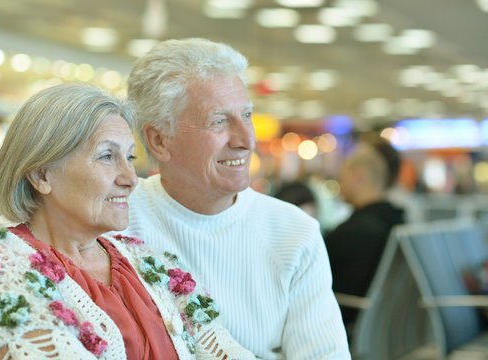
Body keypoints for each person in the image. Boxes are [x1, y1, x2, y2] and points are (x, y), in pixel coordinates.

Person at [0, 84, 254, 359]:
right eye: (107, 156)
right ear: (41, 175)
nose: (131, 178)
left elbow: (224, 349)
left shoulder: (146, 261)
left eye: (130, 158)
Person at [122, 38, 350, 359]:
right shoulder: (113, 224)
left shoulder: (294, 233)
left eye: (246, 115)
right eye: (219, 121)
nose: (247, 140)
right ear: (159, 140)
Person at [324, 135, 405, 329]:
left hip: (344, 329)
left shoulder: (353, 233)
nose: (340, 186)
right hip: (384, 329)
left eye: (342, 177)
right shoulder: (397, 222)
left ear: (358, 176)